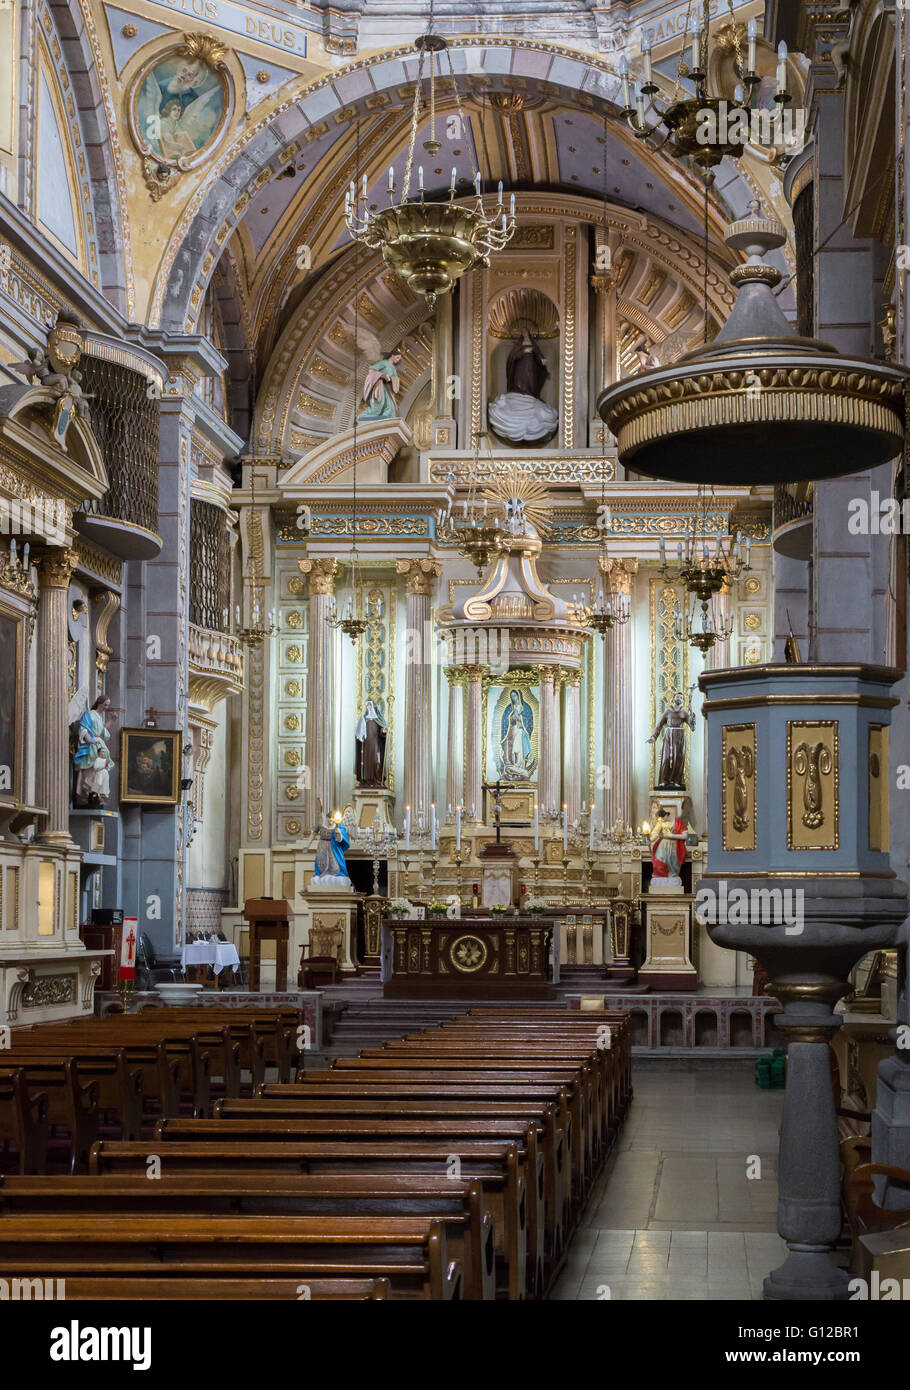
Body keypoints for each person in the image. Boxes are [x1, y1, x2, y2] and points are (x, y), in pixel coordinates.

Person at [73, 696, 115, 806]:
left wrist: (111, 720)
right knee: (92, 772)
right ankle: (90, 795)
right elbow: (84, 729)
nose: (107, 707)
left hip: (99, 745)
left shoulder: (99, 717)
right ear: (99, 703)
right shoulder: (90, 714)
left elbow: (102, 731)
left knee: (102, 772)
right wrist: (90, 740)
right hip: (92, 746)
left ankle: (98, 794)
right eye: (105, 705)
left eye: (108, 705)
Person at [359, 349, 403, 420]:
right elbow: (372, 370)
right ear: (392, 356)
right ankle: (365, 417)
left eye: (399, 359)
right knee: (379, 404)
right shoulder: (384, 363)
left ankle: (385, 419)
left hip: (388, 389)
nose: (398, 360)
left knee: (391, 407)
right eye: (397, 357)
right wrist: (382, 375)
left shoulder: (394, 369)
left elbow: (396, 379)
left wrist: (392, 379)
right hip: (380, 386)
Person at [355, 700, 387, 786]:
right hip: (366, 744)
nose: (369, 707)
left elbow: (382, 732)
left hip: (375, 743)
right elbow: (359, 732)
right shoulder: (364, 719)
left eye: (370, 705)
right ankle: (366, 780)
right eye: (368, 706)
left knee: (376, 761)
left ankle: (377, 779)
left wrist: (383, 730)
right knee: (366, 761)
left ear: (373, 706)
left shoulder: (378, 719)